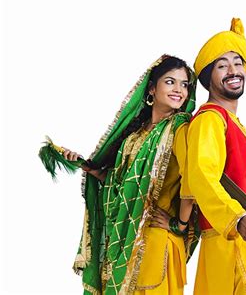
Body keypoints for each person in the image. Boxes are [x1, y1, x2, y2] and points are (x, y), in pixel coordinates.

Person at [62, 55, 199, 294]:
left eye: (184, 84)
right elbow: (120, 186)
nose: (179, 89)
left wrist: (179, 224)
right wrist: (91, 169)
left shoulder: (181, 129)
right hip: (126, 240)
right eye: (170, 82)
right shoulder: (134, 137)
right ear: (152, 89)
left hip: (158, 243)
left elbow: (194, 180)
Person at [186, 18, 246, 294]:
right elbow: (203, 178)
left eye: (238, 63)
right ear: (208, 77)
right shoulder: (209, 121)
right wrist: (237, 220)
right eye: (222, 65)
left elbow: (245, 184)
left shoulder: (232, 121)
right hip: (232, 247)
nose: (233, 70)